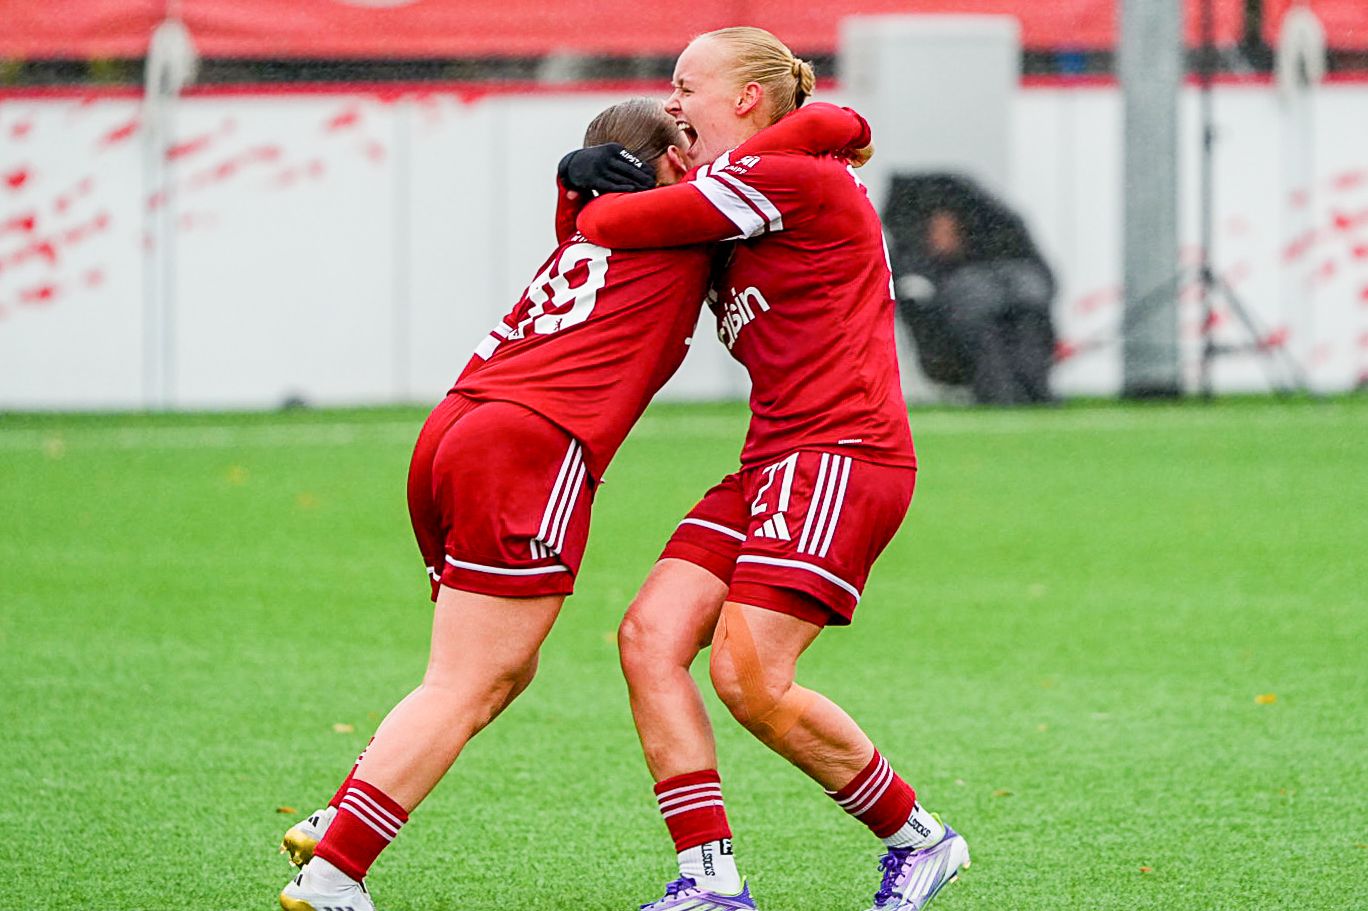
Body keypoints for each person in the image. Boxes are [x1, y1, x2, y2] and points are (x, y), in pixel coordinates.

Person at [274, 97, 874, 911]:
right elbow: (814, 134)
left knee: (498, 671)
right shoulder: (679, 220)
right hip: (529, 447)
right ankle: (336, 873)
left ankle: (342, 814)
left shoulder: (590, 220)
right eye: (688, 141)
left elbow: (597, 191)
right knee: (465, 680)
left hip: (454, 430)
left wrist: (590, 167)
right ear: (669, 164)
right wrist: (843, 128)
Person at [564, 26, 969, 911]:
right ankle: (711, 882)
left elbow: (614, 224)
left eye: (687, 85)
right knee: (649, 639)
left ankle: (921, 838)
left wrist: (587, 189)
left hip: (841, 453)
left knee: (749, 677)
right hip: (774, 457)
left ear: (747, 98)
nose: (671, 103)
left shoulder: (783, 174)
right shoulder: (748, 186)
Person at [884, 173, 1057, 405]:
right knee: (981, 302)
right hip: (963, 317)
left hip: (995, 300)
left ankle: (1022, 388)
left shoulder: (1010, 264)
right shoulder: (927, 271)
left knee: (1019, 304)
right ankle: (1006, 389)